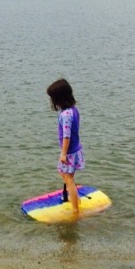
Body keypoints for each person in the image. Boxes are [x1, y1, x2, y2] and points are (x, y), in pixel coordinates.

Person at [47, 79, 85, 218]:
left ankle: (75, 210)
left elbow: (67, 136)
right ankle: (76, 199)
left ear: (59, 98)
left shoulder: (66, 115)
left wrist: (63, 154)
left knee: (68, 179)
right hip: (75, 149)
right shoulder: (73, 110)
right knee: (67, 176)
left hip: (69, 152)